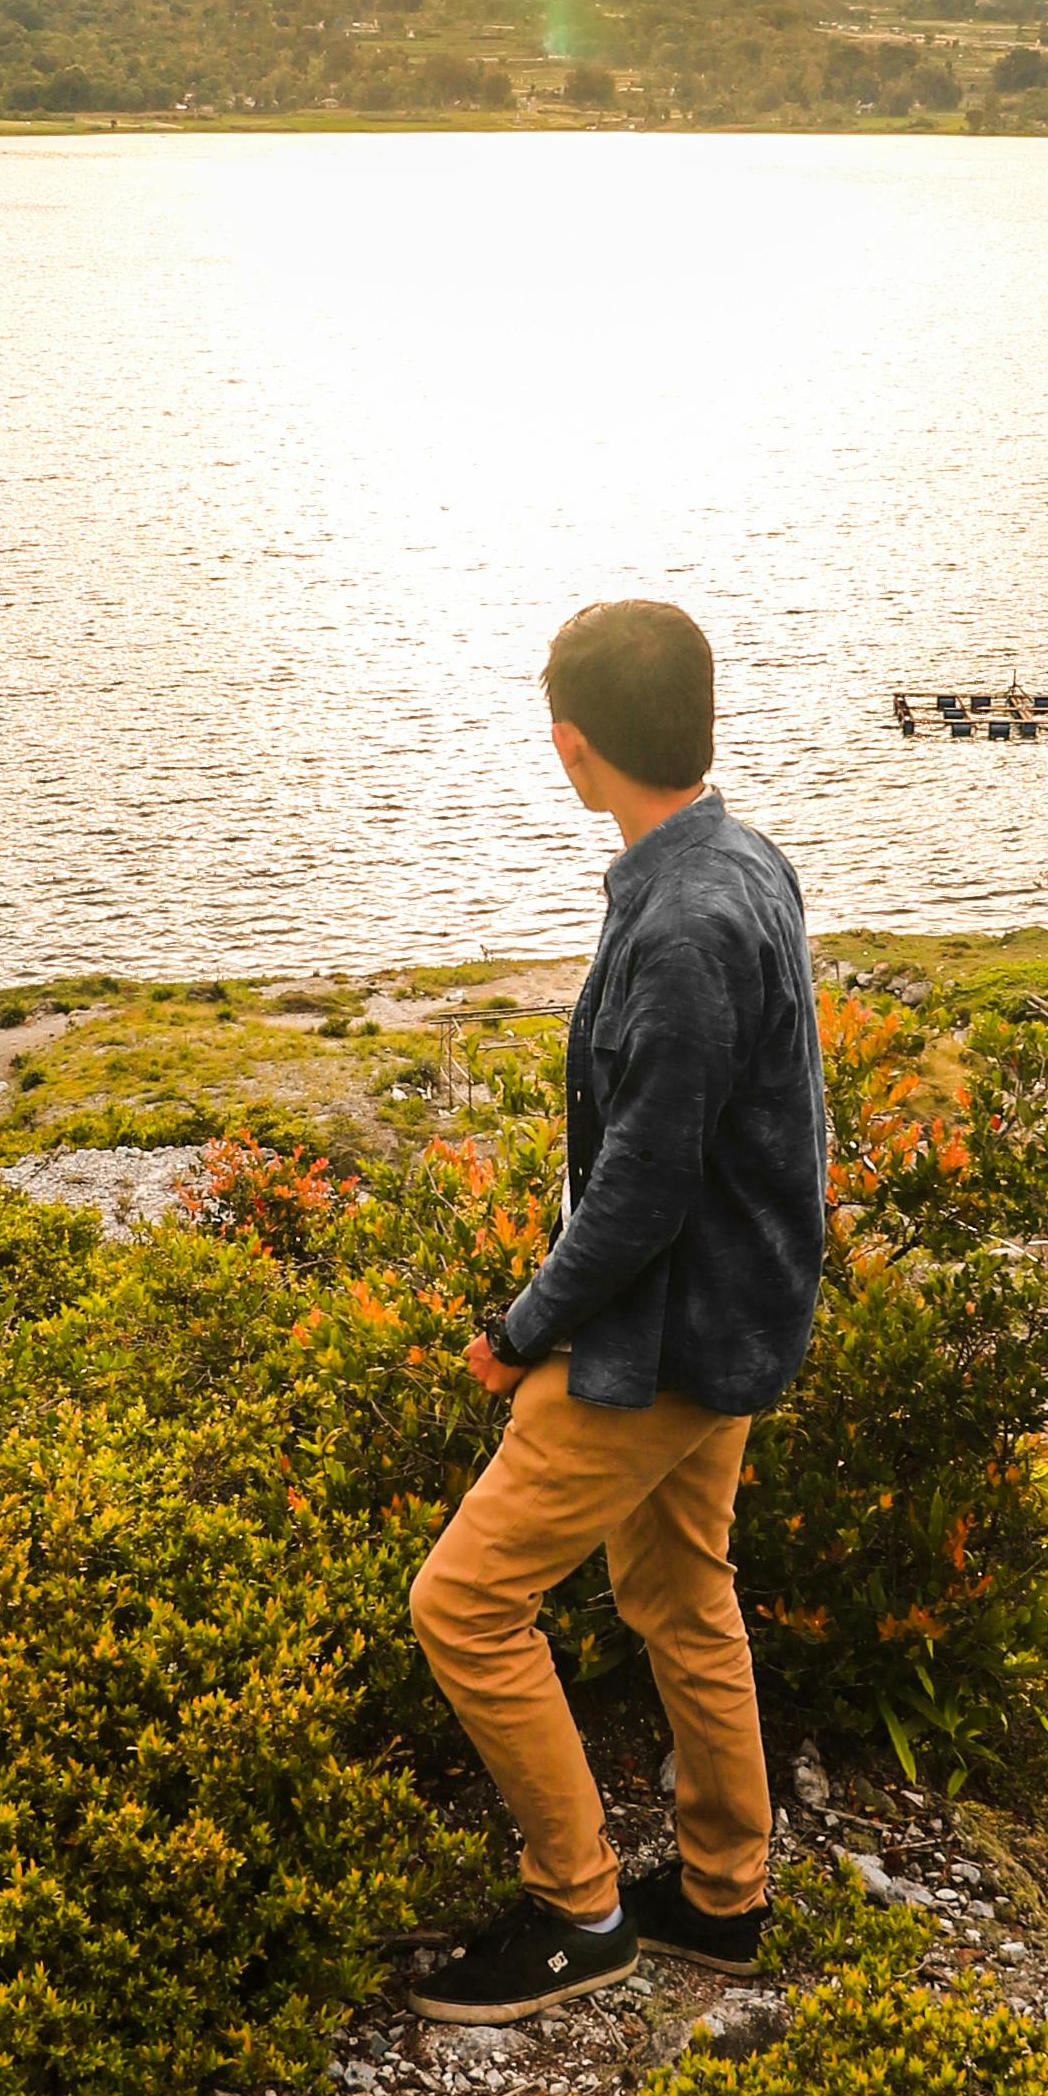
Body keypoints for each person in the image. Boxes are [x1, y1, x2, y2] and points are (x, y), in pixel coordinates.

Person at [404, 596, 827, 2024]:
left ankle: (578, 1908)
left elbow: (640, 1194)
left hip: (668, 1339)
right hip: (730, 1318)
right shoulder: (734, 859)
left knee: (464, 1604)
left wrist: (521, 1330)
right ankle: (722, 1897)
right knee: (676, 1592)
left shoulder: (685, 919)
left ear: (572, 744)